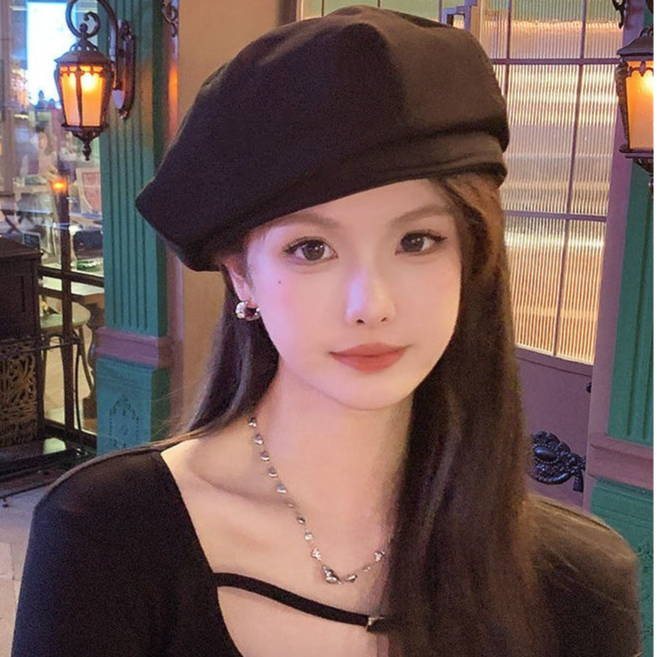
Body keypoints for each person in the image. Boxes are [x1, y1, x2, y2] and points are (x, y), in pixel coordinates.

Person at [12, 7, 641, 657]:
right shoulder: (110, 537)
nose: (370, 304)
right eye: (311, 249)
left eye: (417, 240)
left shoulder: (576, 583)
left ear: (471, 258)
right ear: (242, 277)